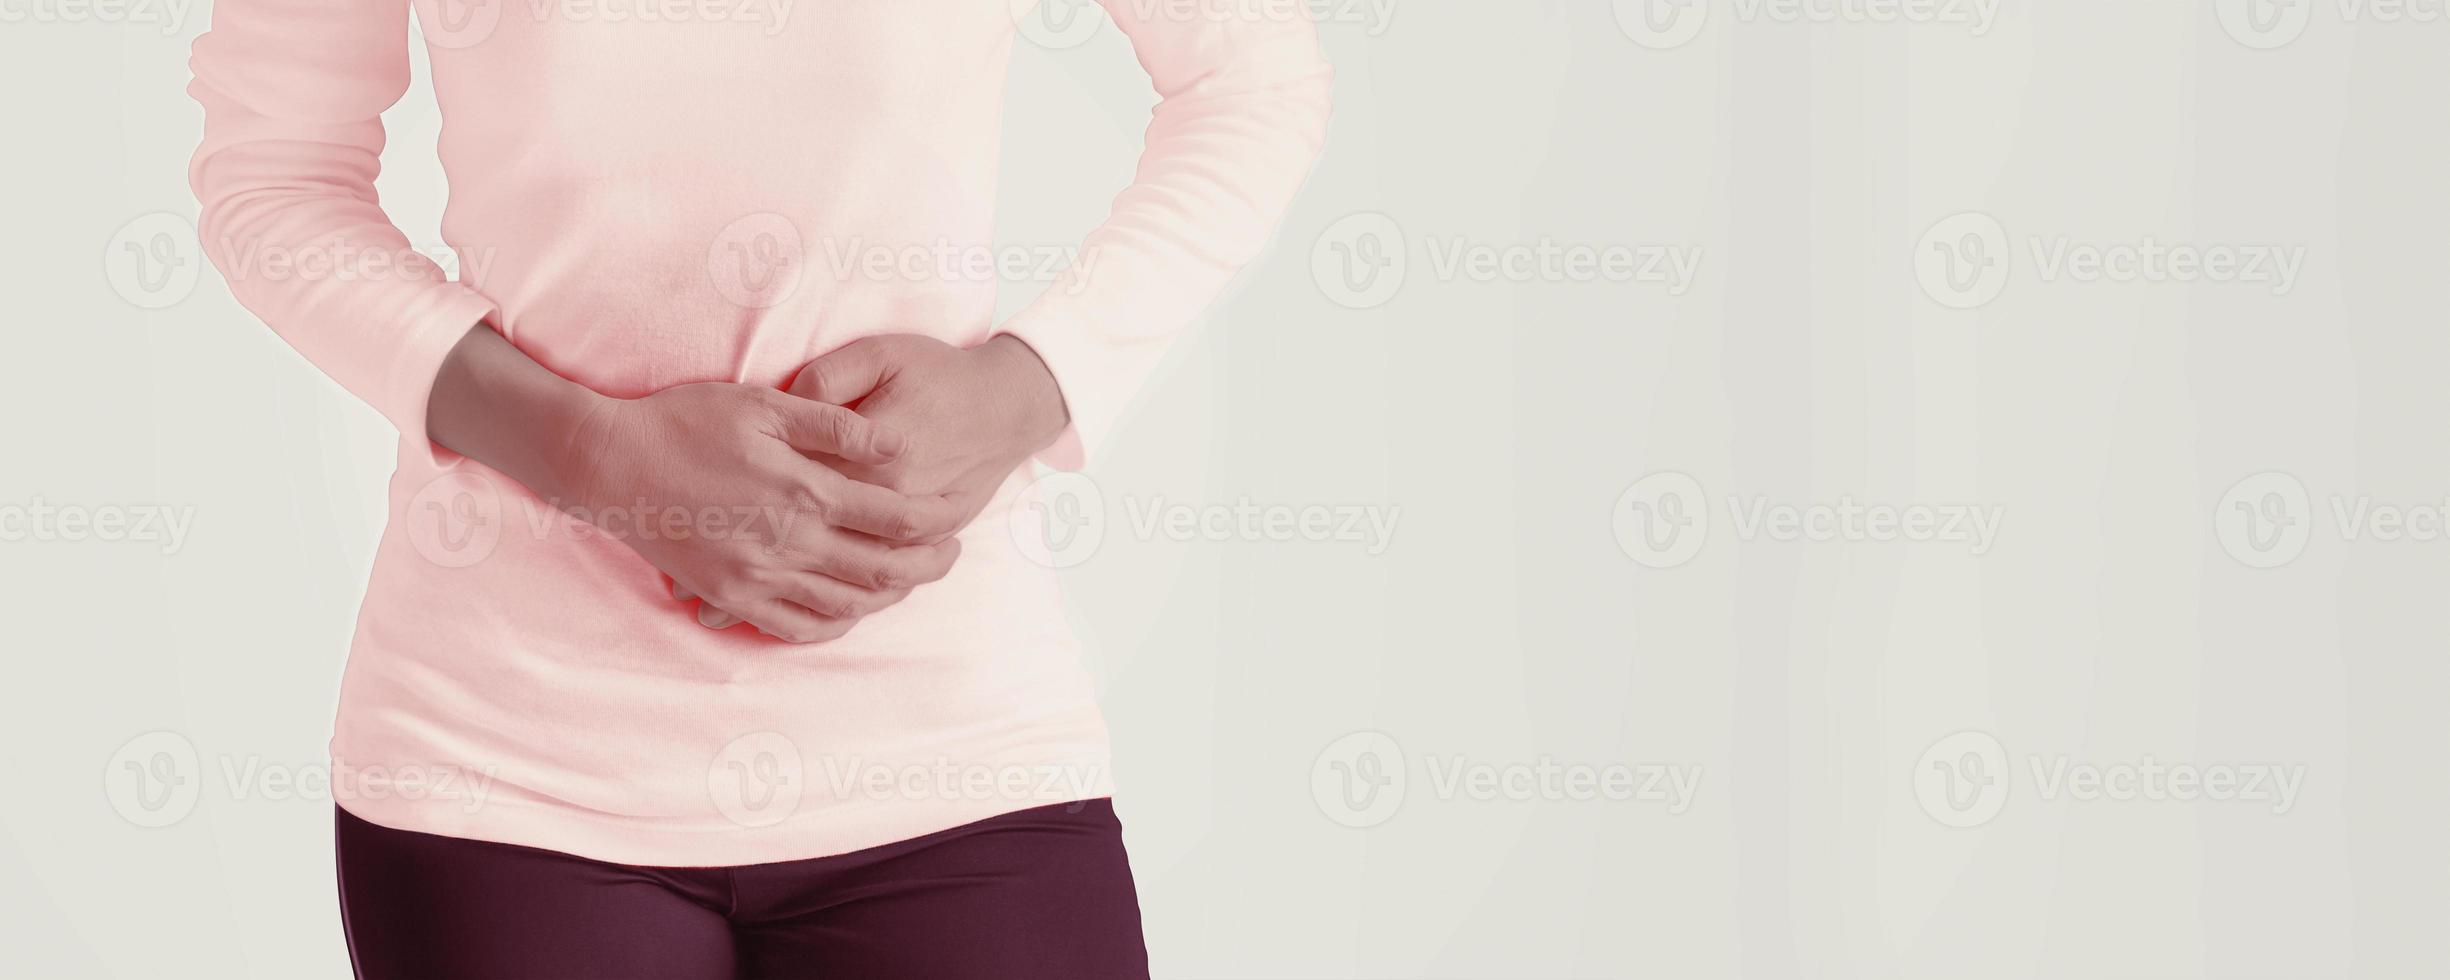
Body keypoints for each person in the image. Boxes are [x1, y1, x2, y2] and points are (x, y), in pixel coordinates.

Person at [185, 0, 1333, 975]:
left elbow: (1253, 79)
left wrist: (1032, 384)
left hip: (954, 743)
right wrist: (590, 454)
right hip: (513, 768)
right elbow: (272, 172)